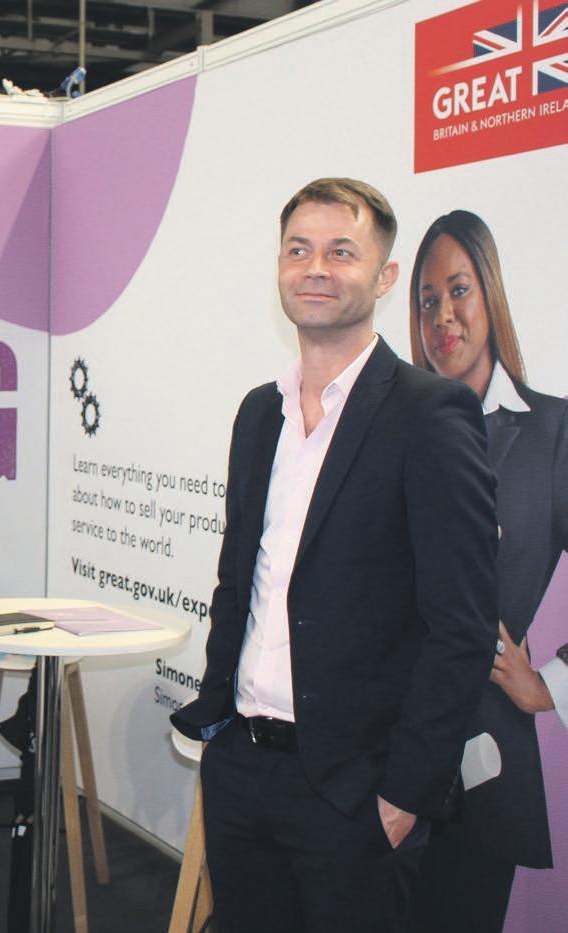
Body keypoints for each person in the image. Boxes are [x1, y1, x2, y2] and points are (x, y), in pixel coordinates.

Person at [170, 178, 498, 932]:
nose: (315, 268)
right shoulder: (260, 412)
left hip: (356, 792)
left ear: (384, 277)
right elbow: (238, 582)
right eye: (298, 250)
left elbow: (461, 625)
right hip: (243, 769)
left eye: (341, 251)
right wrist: (220, 734)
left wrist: (404, 792)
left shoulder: (429, 414)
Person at [406, 209, 568, 931]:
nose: (443, 315)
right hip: (381, 746)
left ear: (490, 294)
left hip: (483, 761)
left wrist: (551, 684)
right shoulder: (391, 431)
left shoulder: (552, 433)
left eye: (458, 290)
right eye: (427, 300)